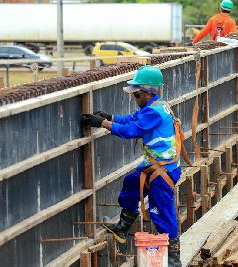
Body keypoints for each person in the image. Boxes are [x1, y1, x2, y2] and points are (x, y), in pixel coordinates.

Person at [81, 65, 182, 266]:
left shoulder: (154, 112)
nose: (134, 98)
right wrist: (111, 117)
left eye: (136, 95)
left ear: (147, 92)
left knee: (161, 211)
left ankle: (173, 258)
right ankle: (123, 226)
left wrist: (102, 123)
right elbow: (132, 119)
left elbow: (131, 130)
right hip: (154, 167)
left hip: (162, 172)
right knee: (131, 183)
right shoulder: (154, 106)